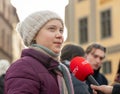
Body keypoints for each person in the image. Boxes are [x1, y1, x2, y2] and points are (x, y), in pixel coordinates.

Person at [5, 10, 74, 94]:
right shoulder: (23, 67)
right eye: (52, 29)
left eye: (61, 30)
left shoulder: (58, 69)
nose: (59, 35)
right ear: (34, 35)